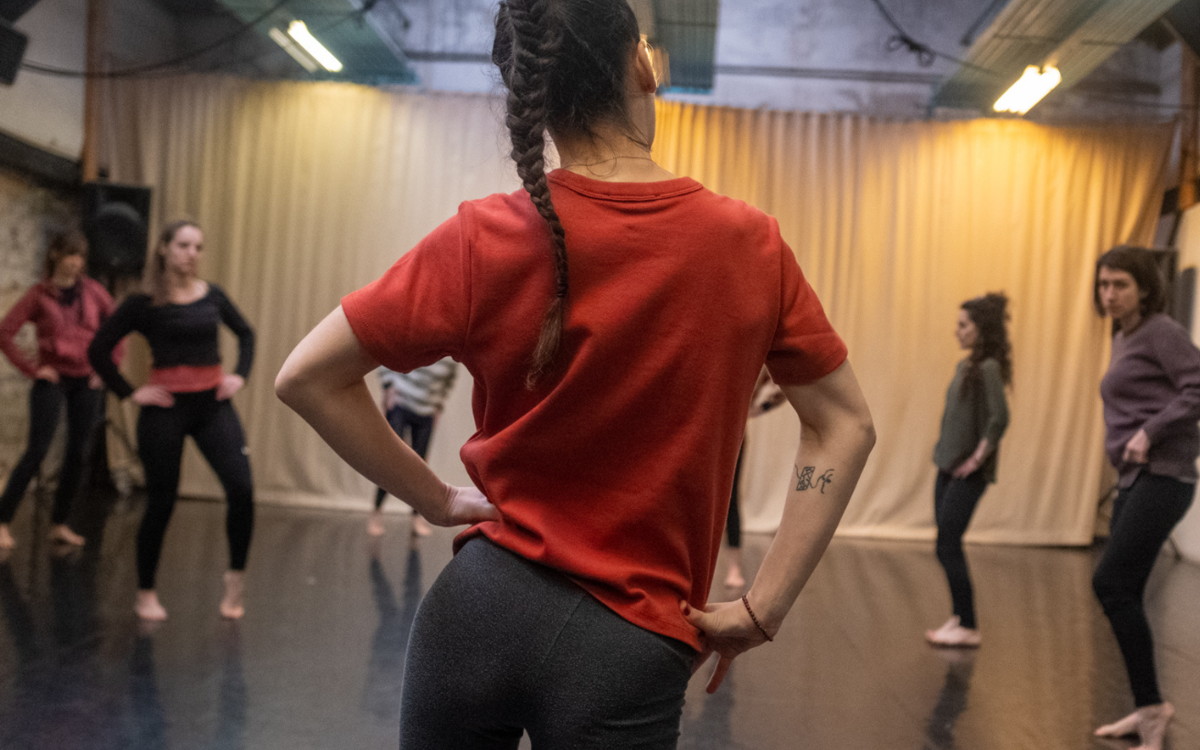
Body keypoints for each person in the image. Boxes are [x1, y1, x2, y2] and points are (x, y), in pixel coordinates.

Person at [276, 1, 875, 747]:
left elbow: (306, 377)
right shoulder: (746, 244)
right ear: (642, 66)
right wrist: (763, 609)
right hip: (627, 644)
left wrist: (433, 499)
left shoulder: (480, 236)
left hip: (474, 614)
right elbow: (844, 423)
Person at [88, 220, 255, 622]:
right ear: (164, 249)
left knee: (242, 488)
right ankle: (145, 592)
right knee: (162, 501)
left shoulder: (212, 295)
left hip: (212, 406)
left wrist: (239, 375)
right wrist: (131, 392)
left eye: (198, 246)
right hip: (165, 410)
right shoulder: (143, 302)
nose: (192, 254)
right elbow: (98, 349)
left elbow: (245, 334)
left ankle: (235, 580)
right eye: (183, 245)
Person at [1090, 247, 1199, 750]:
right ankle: (1147, 708)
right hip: (1137, 477)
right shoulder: (1125, 336)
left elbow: (1197, 386)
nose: (1109, 294)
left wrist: (1150, 432)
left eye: (1120, 285)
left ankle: (1152, 711)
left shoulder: (1161, 331)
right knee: (1123, 592)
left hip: (1165, 475)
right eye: (1104, 284)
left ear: (1145, 288)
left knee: (1111, 583)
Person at [0, 230, 119, 550]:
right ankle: (2, 521)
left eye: (80, 256)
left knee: (78, 454)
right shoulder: (39, 294)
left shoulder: (93, 292)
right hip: (52, 379)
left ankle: (59, 523)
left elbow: (118, 329)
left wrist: (105, 370)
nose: (75, 263)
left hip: (86, 380)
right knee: (37, 450)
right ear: (54, 255)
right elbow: (5, 332)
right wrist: (33, 369)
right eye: (69, 255)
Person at [925, 293, 1011, 648]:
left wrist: (977, 459)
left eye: (963, 325)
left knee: (948, 544)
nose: (956, 331)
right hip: (946, 467)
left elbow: (1000, 417)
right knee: (944, 544)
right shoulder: (966, 366)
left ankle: (969, 624)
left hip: (966, 473)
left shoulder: (989, 367)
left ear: (982, 329)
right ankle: (960, 617)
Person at [369, 358, 457, 537]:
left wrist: (438, 404)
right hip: (401, 403)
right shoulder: (420, 333)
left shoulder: (450, 356)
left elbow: (449, 380)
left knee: (421, 465)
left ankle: (417, 517)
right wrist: (388, 387)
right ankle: (376, 512)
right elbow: (387, 356)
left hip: (426, 410)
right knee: (391, 462)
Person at [724, 367, 786, 589]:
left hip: (735, 434)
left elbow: (786, 386)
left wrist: (759, 408)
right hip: (708, 430)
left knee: (730, 498)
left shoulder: (758, 364)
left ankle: (734, 567)